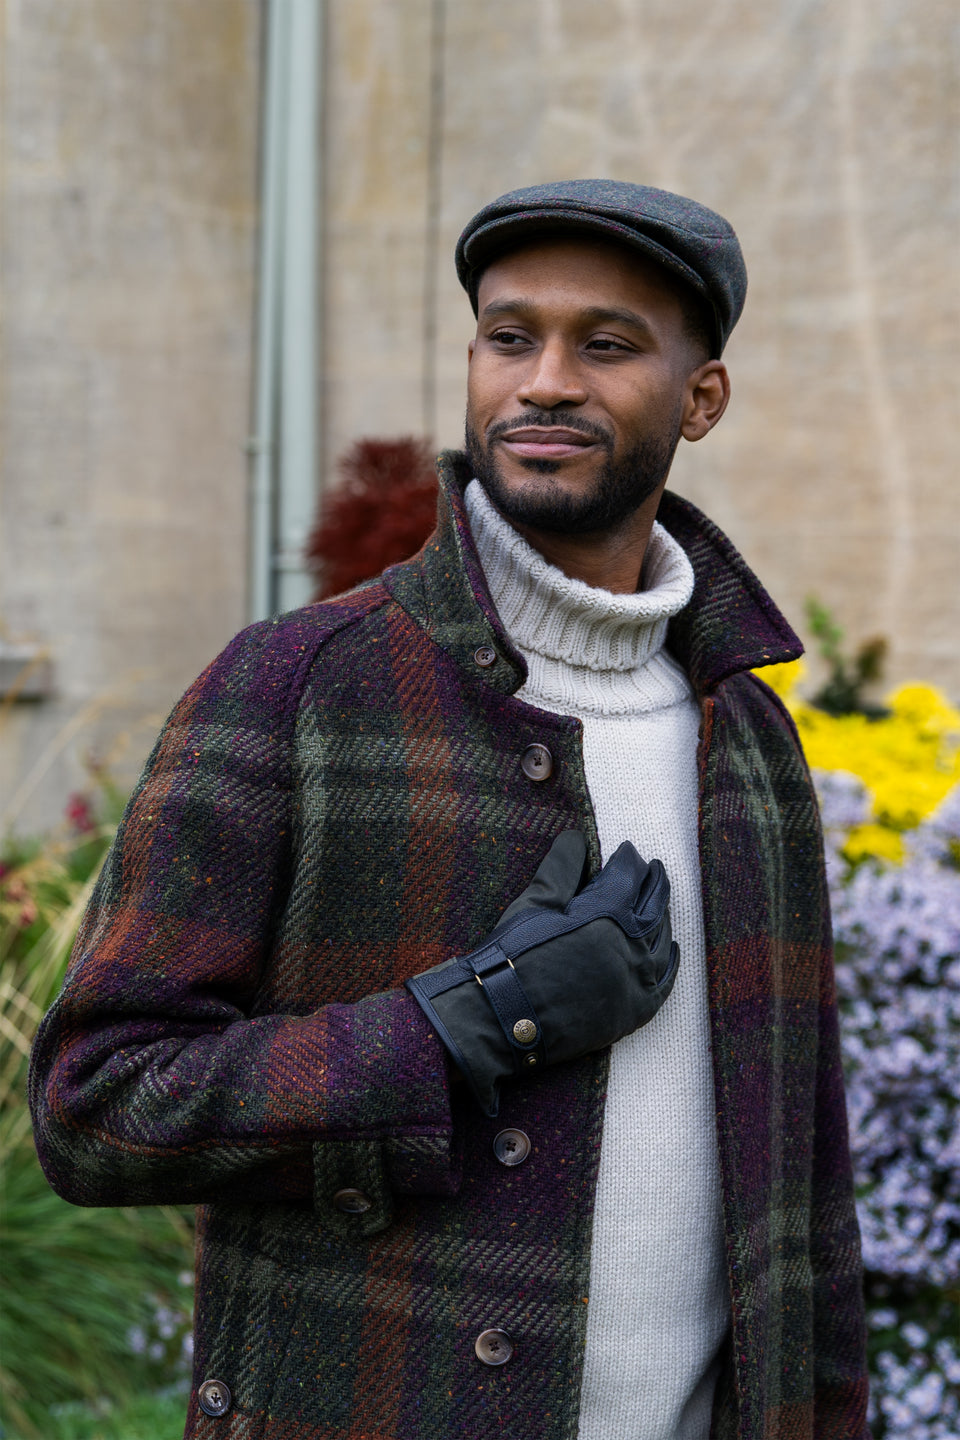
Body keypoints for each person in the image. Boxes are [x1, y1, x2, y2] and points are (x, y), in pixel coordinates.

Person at [29, 180, 869, 1440]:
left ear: (703, 399)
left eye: (608, 343)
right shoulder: (298, 687)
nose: (542, 382)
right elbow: (98, 1108)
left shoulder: (746, 734)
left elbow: (804, 1183)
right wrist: (455, 1029)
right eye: (509, 335)